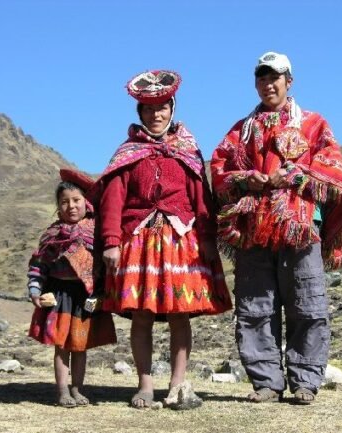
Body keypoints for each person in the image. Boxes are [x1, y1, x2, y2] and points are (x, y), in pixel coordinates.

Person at [211, 52, 342, 404]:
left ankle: (305, 382)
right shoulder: (240, 130)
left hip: (301, 226)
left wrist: (298, 175)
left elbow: (333, 169)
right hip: (254, 227)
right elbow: (219, 169)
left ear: (289, 81)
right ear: (256, 83)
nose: (268, 84)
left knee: (307, 304)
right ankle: (266, 382)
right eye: (262, 78)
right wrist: (251, 178)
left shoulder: (313, 123)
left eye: (275, 77)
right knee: (255, 306)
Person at [95, 70, 232, 409]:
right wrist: (111, 241)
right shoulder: (127, 153)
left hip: (181, 241)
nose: (156, 114)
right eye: (148, 108)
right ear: (139, 113)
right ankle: (144, 384)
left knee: (178, 314)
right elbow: (113, 199)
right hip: (138, 242)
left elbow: (201, 197)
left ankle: (178, 382)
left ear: (172, 108)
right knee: (141, 314)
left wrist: (210, 238)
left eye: (162, 107)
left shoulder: (188, 149)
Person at [28, 168, 117, 408]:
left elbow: (103, 268)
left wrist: (102, 294)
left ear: (86, 203)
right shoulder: (51, 235)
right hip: (58, 296)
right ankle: (62, 391)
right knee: (61, 347)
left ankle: (77, 389)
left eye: (76, 200)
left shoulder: (97, 234)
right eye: (64, 202)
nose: (71, 206)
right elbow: (38, 266)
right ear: (58, 206)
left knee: (80, 346)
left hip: (85, 297)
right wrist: (35, 291)